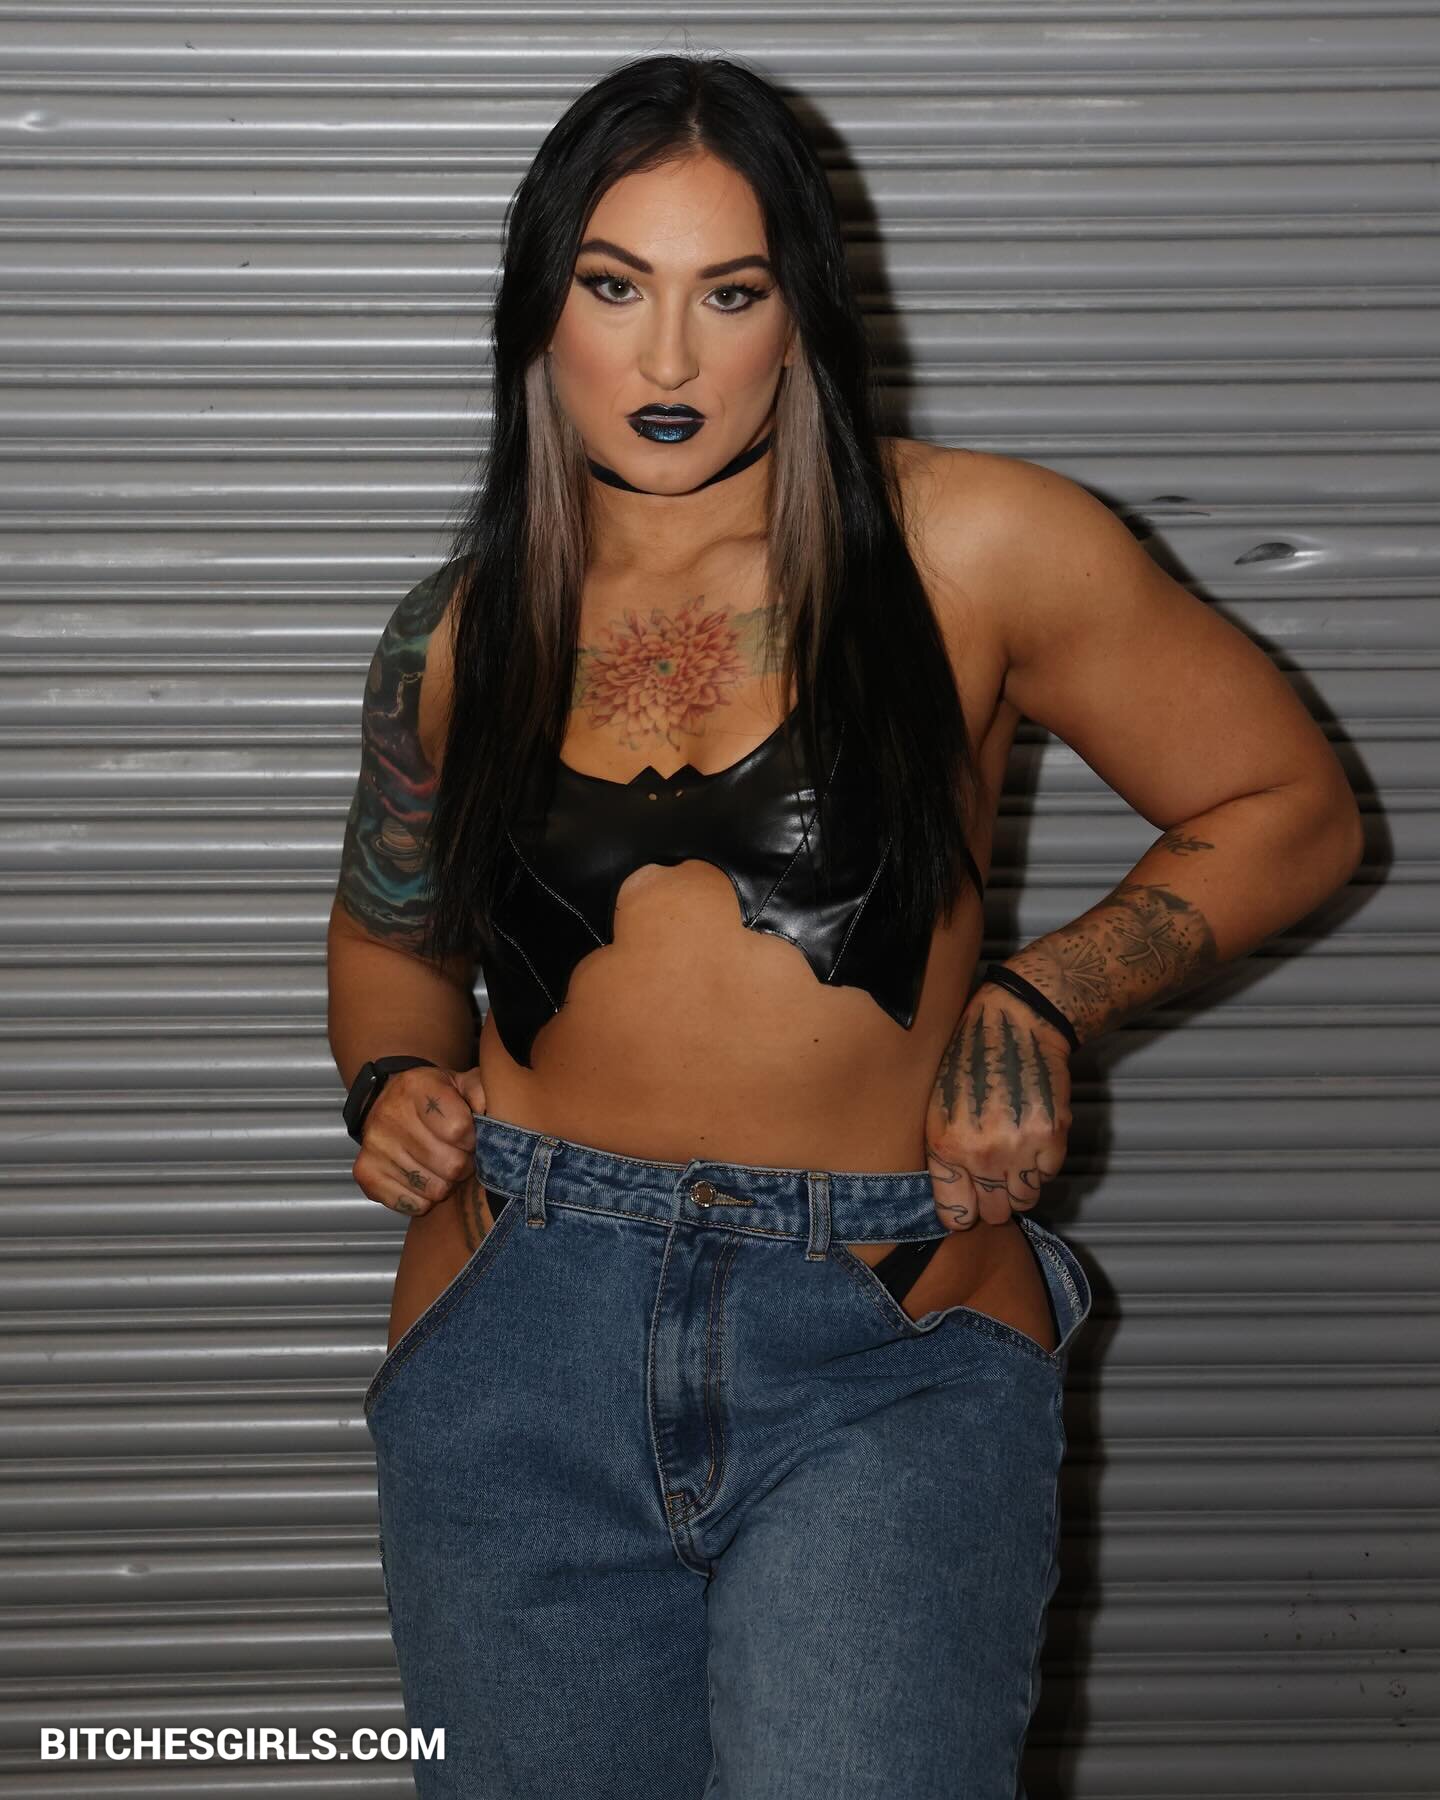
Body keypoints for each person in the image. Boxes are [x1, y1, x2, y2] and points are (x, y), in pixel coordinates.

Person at [325, 51, 1364, 1800]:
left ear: (801, 314)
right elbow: (387, 935)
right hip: (519, 1338)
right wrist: (389, 1082)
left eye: (729, 293)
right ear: (540, 309)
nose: (670, 360)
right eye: (615, 287)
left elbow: (1289, 805)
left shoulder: (972, 547)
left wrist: (1041, 999)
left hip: (881, 1333)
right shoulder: (463, 628)